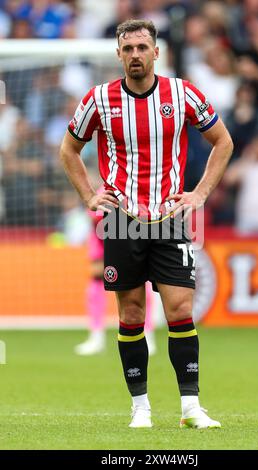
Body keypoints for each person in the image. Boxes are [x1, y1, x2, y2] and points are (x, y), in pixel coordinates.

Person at [60, 19, 233, 429]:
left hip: (171, 218)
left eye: (142, 47)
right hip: (121, 221)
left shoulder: (183, 93)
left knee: (180, 309)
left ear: (157, 52)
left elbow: (223, 141)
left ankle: (191, 407)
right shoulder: (99, 99)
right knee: (133, 314)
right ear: (118, 54)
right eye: (128, 48)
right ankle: (141, 408)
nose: (135, 54)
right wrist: (88, 196)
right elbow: (69, 149)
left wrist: (200, 193)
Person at [74, 188, 157, 356]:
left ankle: (147, 335)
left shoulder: (142, 187)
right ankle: (96, 336)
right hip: (105, 242)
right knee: (96, 283)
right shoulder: (105, 190)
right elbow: (96, 221)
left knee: (142, 284)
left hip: (137, 239)